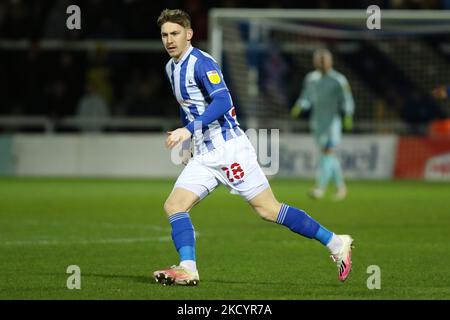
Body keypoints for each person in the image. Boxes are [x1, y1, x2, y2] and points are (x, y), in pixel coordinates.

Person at [153, 9, 354, 286]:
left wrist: (187, 130)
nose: (169, 40)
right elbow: (188, 108)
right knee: (174, 205)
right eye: (164, 35)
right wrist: (188, 142)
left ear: (189, 34)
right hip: (203, 153)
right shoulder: (171, 67)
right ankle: (188, 268)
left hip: (229, 149)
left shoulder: (201, 63)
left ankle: (335, 242)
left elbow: (222, 102)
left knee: (268, 210)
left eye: (175, 33)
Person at [291, 49, 355, 201]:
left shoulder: (338, 79)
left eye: (324, 60)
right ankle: (341, 188)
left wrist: (348, 114)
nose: (321, 63)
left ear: (330, 61)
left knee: (327, 153)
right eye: (319, 60)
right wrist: (300, 106)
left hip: (332, 123)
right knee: (328, 156)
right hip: (317, 122)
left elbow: (347, 98)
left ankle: (320, 188)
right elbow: (306, 97)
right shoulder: (311, 78)